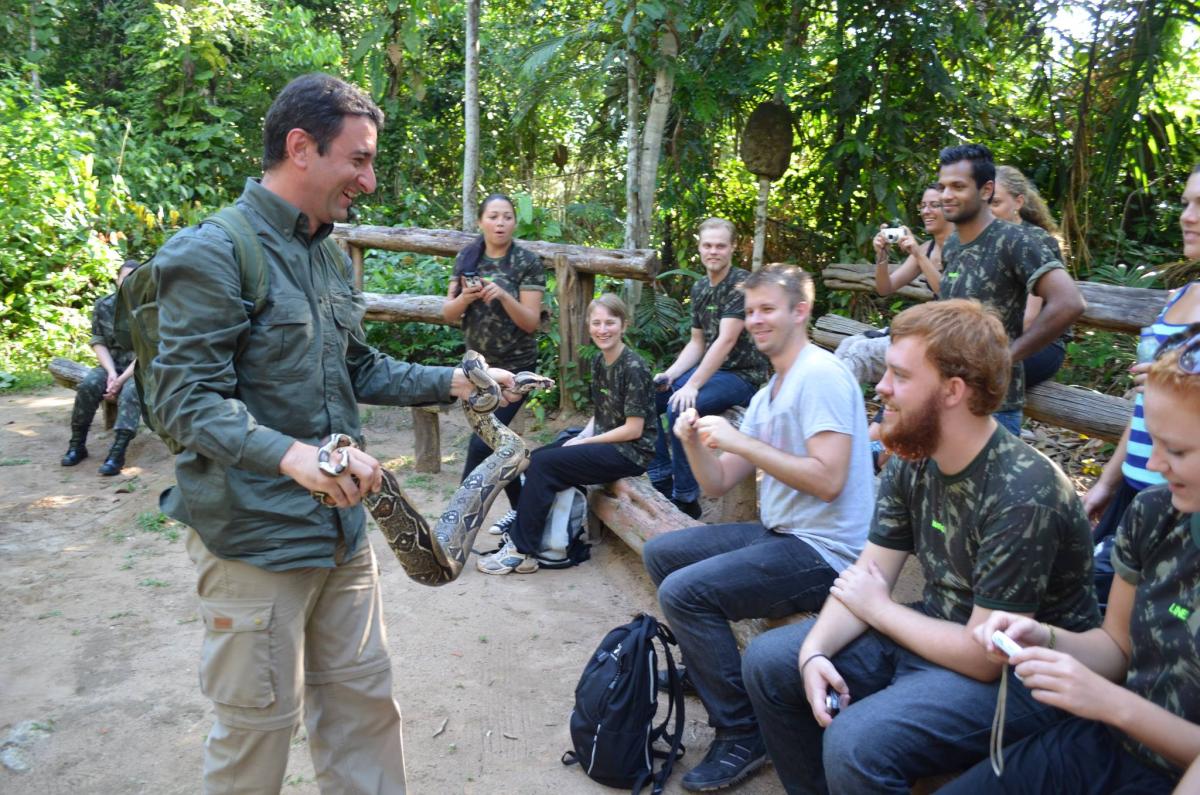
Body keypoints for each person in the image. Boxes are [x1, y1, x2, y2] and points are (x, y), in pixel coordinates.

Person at [149, 73, 516, 793]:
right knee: (254, 740)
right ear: (301, 148)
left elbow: (357, 366)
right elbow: (183, 400)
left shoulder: (325, 253)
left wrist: (458, 382)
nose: (370, 179)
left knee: (365, 717)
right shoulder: (213, 252)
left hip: (344, 539)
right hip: (255, 541)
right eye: (359, 159)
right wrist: (292, 456)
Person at [742, 298, 1101, 795]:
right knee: (771, 662)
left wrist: (880, 612)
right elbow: (867, 578)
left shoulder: (1024, 493)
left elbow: (984, 656)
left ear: (953, 390)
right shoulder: (915, 456)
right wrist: (814, 652)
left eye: (899, 376)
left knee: (856, 741)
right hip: (933, 631)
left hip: (1020, 678)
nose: (881, 387)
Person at [938, 323, 1200, 794]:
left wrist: (1109, 703)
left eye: (1177, 450)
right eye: (1153, 440)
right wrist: (1046, 639)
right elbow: (1116, 648)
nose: (1155, 465)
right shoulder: (1155, 513)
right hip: (1109, 744)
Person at [644, 264, 874, 792]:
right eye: (749, 312)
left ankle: (743, 731)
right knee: (664, 554)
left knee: (685, 593)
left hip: (830, 552)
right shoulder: (773, 391)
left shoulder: (820, 375)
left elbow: (831, 479)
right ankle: (710, 673)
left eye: (767, 309)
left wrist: (741, 440)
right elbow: (720, 482)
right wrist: (693, 442)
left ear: (801, 310)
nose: (755, 320)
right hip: (785, 534)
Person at [476, 293, 657, 574]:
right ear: (588, 326)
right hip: (609, 443)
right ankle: (529, 531)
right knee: (536, 457)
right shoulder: (600, 362)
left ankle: (522, 551)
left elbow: (634, 429)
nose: (603, 329)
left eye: (610, 322)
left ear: (624, 325)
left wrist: (584, 441)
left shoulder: (633, 367)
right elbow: (603, 412)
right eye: (596, 323)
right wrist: (580, 436)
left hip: (631, 452)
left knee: (547, 465)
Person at [1085, 166, 1200, 604]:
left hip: (1183, 490)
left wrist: (1181, 381)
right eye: (1187, 203)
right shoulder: (1179, 295)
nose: (1187, 216)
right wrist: (1108, 483)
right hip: (1139, 478)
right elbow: (1144, 410)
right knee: (1105, 605)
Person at [937, 143, 1085, 435]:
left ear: (985, 189)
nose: (946, 196)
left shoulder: (1017, 240)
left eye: (957, 186)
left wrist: (1006, 357)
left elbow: (1069, 303)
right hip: (947, 396)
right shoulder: (953, 244)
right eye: (942, 187)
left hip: (993, 405)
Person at [648, 218, 769, 519]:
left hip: (743, 376)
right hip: (712, 372)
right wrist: (672, 375)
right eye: (707, 245)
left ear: (732, 248)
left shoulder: (742, 285)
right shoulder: (701, 286)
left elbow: (726, 340)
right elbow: (697, 343)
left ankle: (686, 497)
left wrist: (692, 386)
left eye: (720, 246)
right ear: (699, 247)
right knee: (646, 397)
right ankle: (661, 477)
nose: (713, 251)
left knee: (681, 408)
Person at [442, 193, 545, 538]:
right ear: (481, 221)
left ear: (515, 222)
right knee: (499, 445)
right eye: (493, 217)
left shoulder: (527, 262)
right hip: (476, 371)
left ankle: (453, 525)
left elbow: (530, 322)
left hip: (517, 371)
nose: (500, 223)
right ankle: (525, 517)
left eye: (507, 217)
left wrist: (503, 294)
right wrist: (465, 298)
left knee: (482, 442)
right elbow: (448, 314)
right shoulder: (467, 257)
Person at [835, 185, 952, 385]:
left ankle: (834, 407)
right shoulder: (927, 248)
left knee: (860, 352)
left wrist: (917, 254)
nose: (926, 211)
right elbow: (885, 288)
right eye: (923, 206)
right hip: (926, 330)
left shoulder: (961, 247)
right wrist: (882, 256)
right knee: (848, 343)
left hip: (948, 336)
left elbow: (949, 292)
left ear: (950, 209)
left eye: (934, 205)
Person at [990, 164, 1070, 390]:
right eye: (985, 202)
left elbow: (1029, 320)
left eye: (996, 203)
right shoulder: (988, 238)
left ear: (1018, 202)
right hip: (997, 340)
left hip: (1039, 344)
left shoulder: (1034, 241)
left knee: (972, 373)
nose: (988, 210)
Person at [61, 258, 142, 476]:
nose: (129, 284)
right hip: (111, 366)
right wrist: (111, 373)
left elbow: (148, 353)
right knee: (88, 385)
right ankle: (77, 445)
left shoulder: (150, 309)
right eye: (125, 278)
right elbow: (98, 342)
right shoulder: (104, 306)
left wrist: (121, 380)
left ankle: (117, 452)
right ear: (117, 280)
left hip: (140, 369)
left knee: (132, 391)